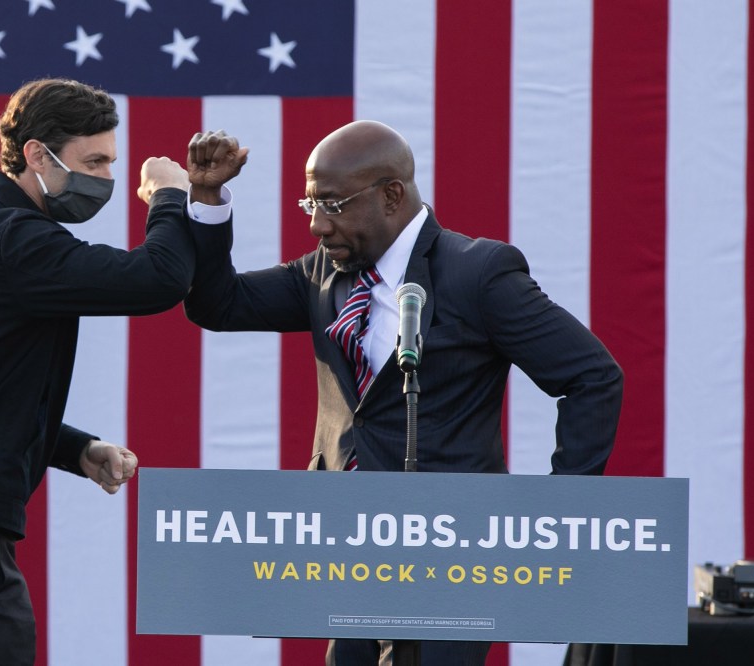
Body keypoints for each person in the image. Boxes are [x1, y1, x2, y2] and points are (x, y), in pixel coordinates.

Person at [183, 121, 624, 665]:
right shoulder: (324, 272)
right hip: (346, 547)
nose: (318, 225)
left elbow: (592, 377)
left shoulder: (478, 273)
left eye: (333, 204)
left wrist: (556, 511)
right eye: (310, 206)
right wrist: (207, 201)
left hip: (452, 554)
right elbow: (218, 305)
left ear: (391, 195)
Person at [0, 78, 205, 665]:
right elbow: (160, 279)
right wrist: (170, 198)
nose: (106, 178)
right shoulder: (11, 239)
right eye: (93, 160)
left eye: (112, 163)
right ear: (35, 155)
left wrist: (75, 448)